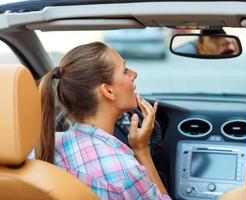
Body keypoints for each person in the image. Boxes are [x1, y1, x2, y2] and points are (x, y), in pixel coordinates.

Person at [36, 42, 171, 199]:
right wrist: (142, 151)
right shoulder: (126, 172)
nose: (134, 74)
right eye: (125, 71)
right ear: (108, 90)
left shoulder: (46, 146)